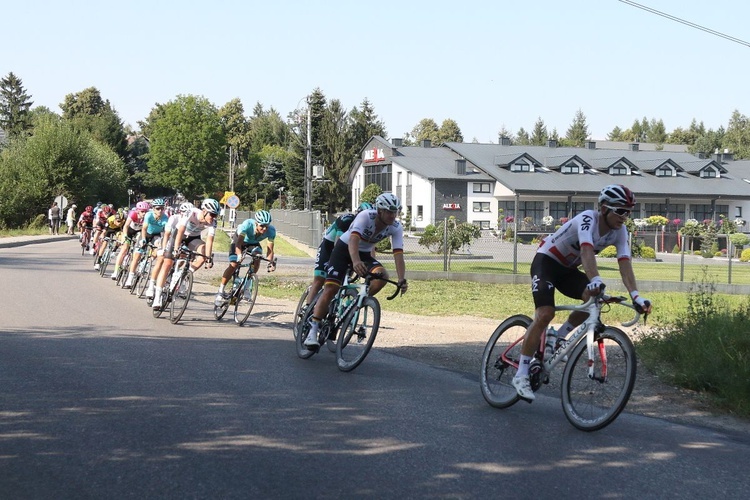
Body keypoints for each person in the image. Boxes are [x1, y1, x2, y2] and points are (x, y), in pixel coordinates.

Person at [511, 184, 653, 401]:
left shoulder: (620, 231)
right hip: (547, 263)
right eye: (621, 211)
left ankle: (557, 337)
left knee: (592, 302)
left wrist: (636, 296)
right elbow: (587, 251)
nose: (625, 217)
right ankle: (521, 373)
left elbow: (625, 263)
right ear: (605, 208)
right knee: (545, 313)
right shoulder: (588, 218)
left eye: (629, 212)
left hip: (568, 270)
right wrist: (595, 278)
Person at [303, 193, 408, 348]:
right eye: (389, 211)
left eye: (395, 212)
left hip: (364, 253)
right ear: (379, 211)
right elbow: (353, 240)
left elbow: (398, 253)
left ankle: (355, 303)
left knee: (382, 275)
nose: (393, 215)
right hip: (343, 250)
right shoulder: (366, 216)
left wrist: (401, 279)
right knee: (331, 288)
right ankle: (312, 331)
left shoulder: (396, 227)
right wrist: (356, 261)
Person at [300, 202, 373, 314]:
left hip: (348, 250)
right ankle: (307, 309)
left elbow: (371, 250)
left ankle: (333, 307)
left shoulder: (371, 227)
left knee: (342, 280)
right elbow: (337, 245)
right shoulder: (347, 220)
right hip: (329, 247)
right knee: (320, 279)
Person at [151, 198, 219, 310]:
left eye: (215, 215)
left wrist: (208, 258)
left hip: (193, 238)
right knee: (167, 263)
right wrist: (176, 249)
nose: (213, 218)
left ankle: (185, 274)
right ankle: (157, 297)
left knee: (203, 254)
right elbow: (181, 230)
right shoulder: (191, 212)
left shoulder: (213, 223)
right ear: (204, 211)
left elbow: (210, 240)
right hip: (179, 235)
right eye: (212, 215)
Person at [214, 209, 277, 306]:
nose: (264, 229)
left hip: (253, 244)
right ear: (256, 223)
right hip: (239, 242)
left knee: (258, 256)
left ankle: (247, 286)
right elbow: (238, 244)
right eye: (262, 226)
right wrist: (239, 255)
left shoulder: (271, 231)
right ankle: (220, 291)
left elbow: (270, 250)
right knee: (234, 264)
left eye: (266, 226)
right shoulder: (247, 225)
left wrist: (270, 262)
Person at [145, 202, 193, 300]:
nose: (186, 215)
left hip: (180, 241)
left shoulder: (191, 221)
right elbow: (166, 234)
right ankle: (151, 286)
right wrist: (163, 249)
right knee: (161, 259)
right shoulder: (174, 218)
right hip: (169, 239)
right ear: (180, 212)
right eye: (184, 212)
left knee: (183, 258)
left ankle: (177, 275)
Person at [124, 199, 169, 288]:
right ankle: (130, 278)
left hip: (156, 235)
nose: (160, 210)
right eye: (158, 208)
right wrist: (143, 239)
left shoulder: (165, 217)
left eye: (162, 208)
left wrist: (163, 246)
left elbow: (166, 232)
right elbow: (144, 228)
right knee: (137, 256)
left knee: (159, 248)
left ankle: (149, 261)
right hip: (146, 234)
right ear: (153, 209)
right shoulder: (148, 215)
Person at [111, 201, 149, 280]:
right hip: (129, 231)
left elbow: (146, 230)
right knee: (124, 249)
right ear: (138, 211)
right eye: (142, 211)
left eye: (146, 212)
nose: (144, 213)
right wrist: (125, 236)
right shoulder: (133, 214)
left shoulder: (147, 217)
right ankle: (116, 271)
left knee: (137, 250)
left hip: (139, 232)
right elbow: (126, 226)